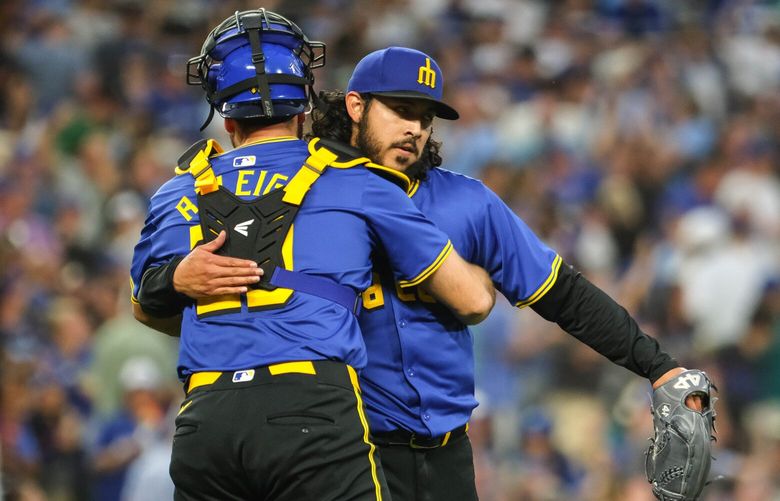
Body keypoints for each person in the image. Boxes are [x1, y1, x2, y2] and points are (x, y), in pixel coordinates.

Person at [138, 46, 710, 500]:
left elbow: (560, 292)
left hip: (446, 451)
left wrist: (656, 366)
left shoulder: (467, 202)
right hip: (350, 444)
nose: (416, 128)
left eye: (426, 116)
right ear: (356, 106)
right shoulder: (309, 186)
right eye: (401, 110)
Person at [129, 14, 494, 501]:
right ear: (304, 111)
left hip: (205, 421)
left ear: (227, 119)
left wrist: (195, 287)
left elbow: (145, 306)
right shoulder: (355, 179)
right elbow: (470, 301)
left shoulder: (175, 191)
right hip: (313, 411)